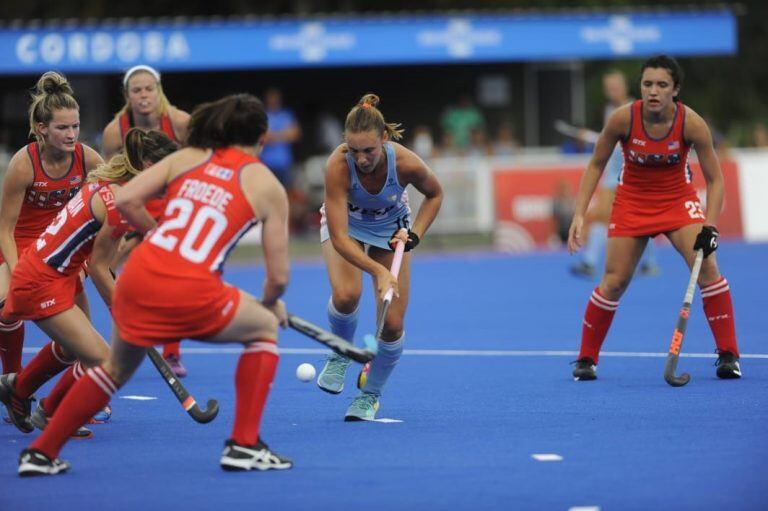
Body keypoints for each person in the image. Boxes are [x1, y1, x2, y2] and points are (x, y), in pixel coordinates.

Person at [18, 93, 292, 476]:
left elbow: (127, 198)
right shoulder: (267, 183)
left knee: (113, 368)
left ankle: (41, 452)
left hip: (137, 279)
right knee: (263, 328)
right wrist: (272, 302)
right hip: (189, 287)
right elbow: (277, 277)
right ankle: (244, 445)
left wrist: (160, 234)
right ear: (262, 137)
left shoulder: (187, 158)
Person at [568, 55, 741, 381]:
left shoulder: (691, 123)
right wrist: (580, 212)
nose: (654, 91)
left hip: (678, 202)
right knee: (614, 282)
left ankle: (728, 355)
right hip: (632, 203)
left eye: (662, 85)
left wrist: (711, 225)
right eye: (648, 84)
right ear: (640, 88)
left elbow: (716, 180)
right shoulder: (623, 120)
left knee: (707, 267)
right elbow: (595, 164)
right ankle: (586, 359)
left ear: (675, 89)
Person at [0, 129, 178, 438]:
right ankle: (44, 408)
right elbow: (98, 267)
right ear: (150, 167)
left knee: (74, 350)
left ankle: (20, 390)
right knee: (101, 360)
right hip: (40, 281)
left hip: (54, 275)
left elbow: (104, 262)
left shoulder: (110, 185)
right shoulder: (120, 201)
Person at [316, 94, 443, 421]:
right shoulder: (337, 166)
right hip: (348, 228)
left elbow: (434, 194)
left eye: (369, 150)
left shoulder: (405, 162)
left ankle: (369, 396)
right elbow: (341, 239)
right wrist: (378, 272)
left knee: (392, 324)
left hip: (391, 230)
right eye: (353, 150)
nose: (361, 159)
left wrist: (414, 234)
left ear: (384, 139)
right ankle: (342, 353)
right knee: (346, 296)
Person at [0, 72, 104, 380]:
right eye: (62, 128)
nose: (72, 134)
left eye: (75, 126)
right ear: (41, 129)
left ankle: (81, 389)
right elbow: (5, 228)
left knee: (81, 334)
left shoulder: (89, 159)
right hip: (18, 241)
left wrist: (90, 259)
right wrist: (18, 273)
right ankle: (12, 380)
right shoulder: (24, 163)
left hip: (61, 244)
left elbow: (110, 202)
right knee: (5, 306)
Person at [102, 64, 191, 376]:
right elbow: (110, 177)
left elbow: (198, 165)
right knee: (106, 270)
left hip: (171, 205)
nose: (143, 95)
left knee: (172, 277)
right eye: (136, 90)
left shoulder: (180, 122)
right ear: (127, 95)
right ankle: (113, 343)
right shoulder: (115, 131)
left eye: (148, 89)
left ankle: (172, 351)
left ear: (159, 91)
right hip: (133, 205)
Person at [570, 70, 660, 278]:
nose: (612, 92)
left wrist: (591, 137)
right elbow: (608, 139)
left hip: (632, 173)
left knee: (637, 220)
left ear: (624, 87)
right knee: (606, 216)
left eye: (615, 87)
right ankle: (591, 261)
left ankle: (647, 261)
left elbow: (630, 140)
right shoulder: (610, 110)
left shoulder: (635, 109)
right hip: (612, 174)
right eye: (608, 88)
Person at [260, 87, 301, 188]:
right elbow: (262, 137)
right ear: (267, 99)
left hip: (284, 162)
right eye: (271, 98)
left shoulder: (287, 114)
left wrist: (273, 136)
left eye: (276, 98)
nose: (274, 100)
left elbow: (296, 135)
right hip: (266, 163)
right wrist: (284, 134)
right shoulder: (263, 115)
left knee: (287, 192)